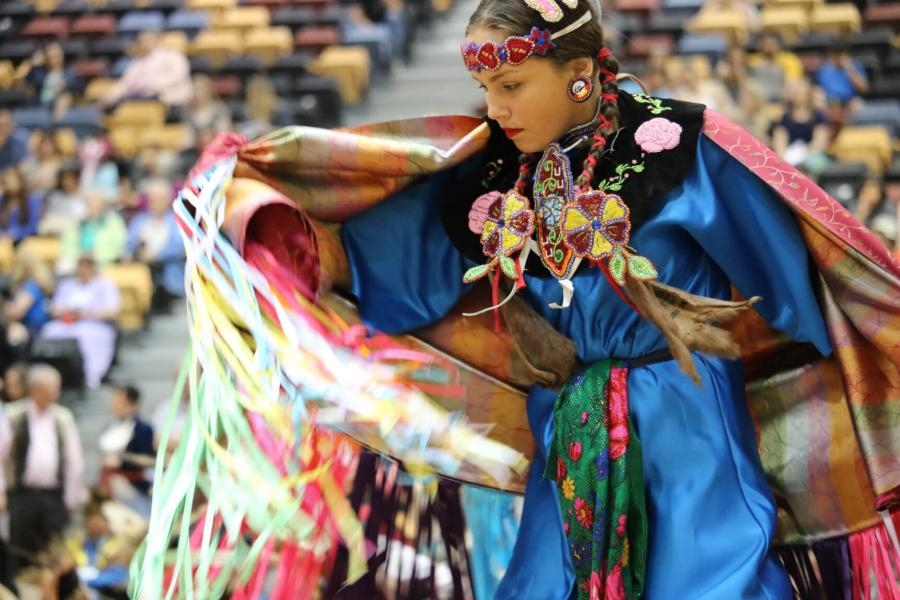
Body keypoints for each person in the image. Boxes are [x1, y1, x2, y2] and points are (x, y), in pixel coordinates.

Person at [146, 0, 899, 597]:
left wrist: (839, 364)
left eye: (511, 86)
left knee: (710, 577)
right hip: (568, 423)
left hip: (687, 403)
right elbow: (392, 268)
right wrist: (269, 225)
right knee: (545, 583)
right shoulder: (492, 173)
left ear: (578, 75)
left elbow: (797, 280)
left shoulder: (678, 145)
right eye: (486, 88)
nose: (495, 106)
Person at [0, 364, 84, 579]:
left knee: (53, 553)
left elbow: (74, 460)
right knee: (19, 551)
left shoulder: (62, 417)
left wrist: (71, 499)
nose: (55, 393)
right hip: (21, 495)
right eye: (51, 388)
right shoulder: (13, 415)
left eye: (57, 387)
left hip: (52, 496)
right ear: (35, 389)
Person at [40, 255, 121, 389]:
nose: (83, 270)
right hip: (66, 323)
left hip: (94, 325)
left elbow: (113, 312)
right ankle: (53, 376)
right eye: (81, 266)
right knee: (49, 331)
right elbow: (54, 309)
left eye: (87, 266)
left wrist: (86, 314)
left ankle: (89, 376)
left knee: (86, 337)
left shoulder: (106, 285)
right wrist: (68, 312)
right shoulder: (67, 285)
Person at [125, 179, 184, 303]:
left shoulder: (177, 220)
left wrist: (156, 254)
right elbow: (128, 244)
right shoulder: (140, 220)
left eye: (159, 199)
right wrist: (133, 252)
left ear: (168, 200)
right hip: (141, 275)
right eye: (152, 199)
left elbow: (180, 247)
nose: (154, 203)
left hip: (168, 277)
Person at [103, 31, 192, 109]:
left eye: (147, 40)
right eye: (141, 41)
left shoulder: (172, 55)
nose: (143, 43)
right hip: (140, 98)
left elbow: (178, 75)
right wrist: (112, 95)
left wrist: (152, 86)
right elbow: (126, 83)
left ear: (156, 40)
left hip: (169, 99)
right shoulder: (137, 61)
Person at [97, 385, 155, 496]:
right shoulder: (109, 427)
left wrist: (123, 458)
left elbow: (149, 459)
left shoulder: (142, 429)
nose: (114, 404)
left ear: (132, 404)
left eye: (119, 401)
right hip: (107, 481)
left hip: (131, 484)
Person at [56, 190, 127, 276]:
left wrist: (95, 256)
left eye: (93, 204)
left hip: (102, 263)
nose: (89, 206)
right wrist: (79, 256)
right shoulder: (79, 222)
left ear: (102, 206)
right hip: (79, 260)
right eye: (87, 204)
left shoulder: (113, 222)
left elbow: (118, 245)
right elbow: (67, 243)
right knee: (62, 268)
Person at [771, 78, 831, 175]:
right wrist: (786, 159)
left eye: (802, 91)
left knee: (814, 163)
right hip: (789, 157)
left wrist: (803, 157)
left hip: (811, 156)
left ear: (809, 94)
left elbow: (820, 142)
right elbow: (780, 141)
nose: (799, 94)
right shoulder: (784, 118)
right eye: (796, 92)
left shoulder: (818, 116)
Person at [4, 248, 53, 351]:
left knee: (12, 333)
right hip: (29, 327)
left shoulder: (31, 286)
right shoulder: (28, 285)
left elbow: (17, 312)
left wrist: (3, 309)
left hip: (33, 329)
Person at [14, 43, 80, 118]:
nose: (54, 57)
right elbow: (22, 80)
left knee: (65, 98)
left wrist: (64, 89)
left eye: (56, 55)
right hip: (39, 107)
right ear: (45, 57)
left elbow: (77, 89)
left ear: (62, 55)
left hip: (63, 108)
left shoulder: (70, 72)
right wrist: (33, 63)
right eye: (50, 55)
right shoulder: (38, 72)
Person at [0, 166, 41, 244]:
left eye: (13, 182)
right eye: (6, 183)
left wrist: (16, 234)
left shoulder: (32, 200)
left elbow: (33, 225)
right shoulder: (2, 200)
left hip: (26, 240)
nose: (10, 186)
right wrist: (3, 235)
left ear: (20, 182)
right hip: (4, 240)